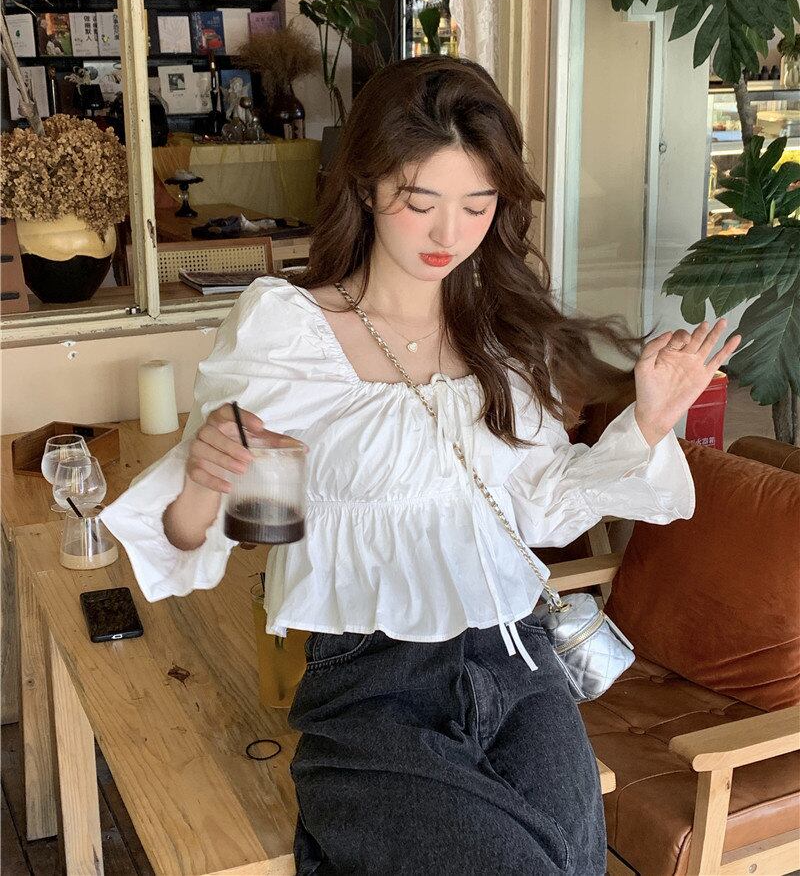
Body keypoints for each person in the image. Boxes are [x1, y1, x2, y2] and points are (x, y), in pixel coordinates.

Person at [100, 56, 740, 875]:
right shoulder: (288, 331)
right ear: (367, 187)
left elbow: (540, 508)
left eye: (477, 205)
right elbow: (189, 535)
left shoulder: (503, 340)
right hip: (374, 681)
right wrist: (201, 476)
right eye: (420, 201)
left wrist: (649, 421)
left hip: (519, 661)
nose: (449, 235)